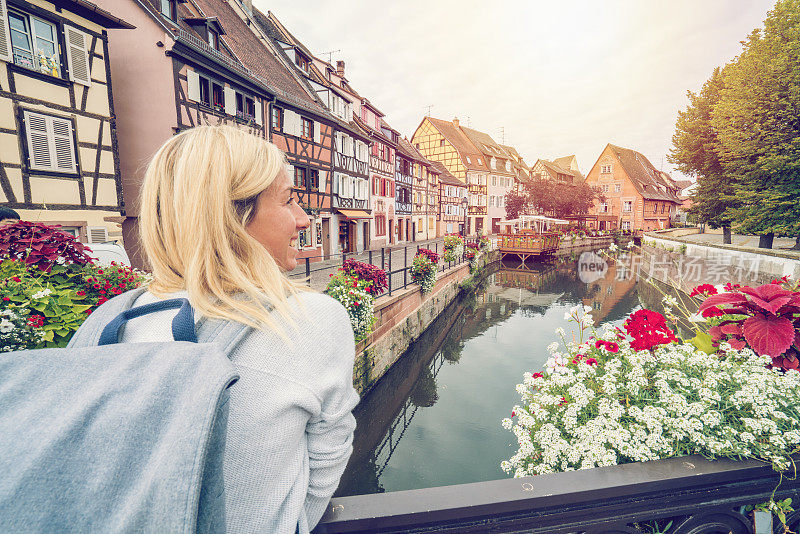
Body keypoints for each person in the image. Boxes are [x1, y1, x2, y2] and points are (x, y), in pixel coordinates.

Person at [88, 126, 359, 533]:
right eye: (289, 201)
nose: (303, 219)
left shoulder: (104, 320)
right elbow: (328, 452)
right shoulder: (309, 319)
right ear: (232, 218)